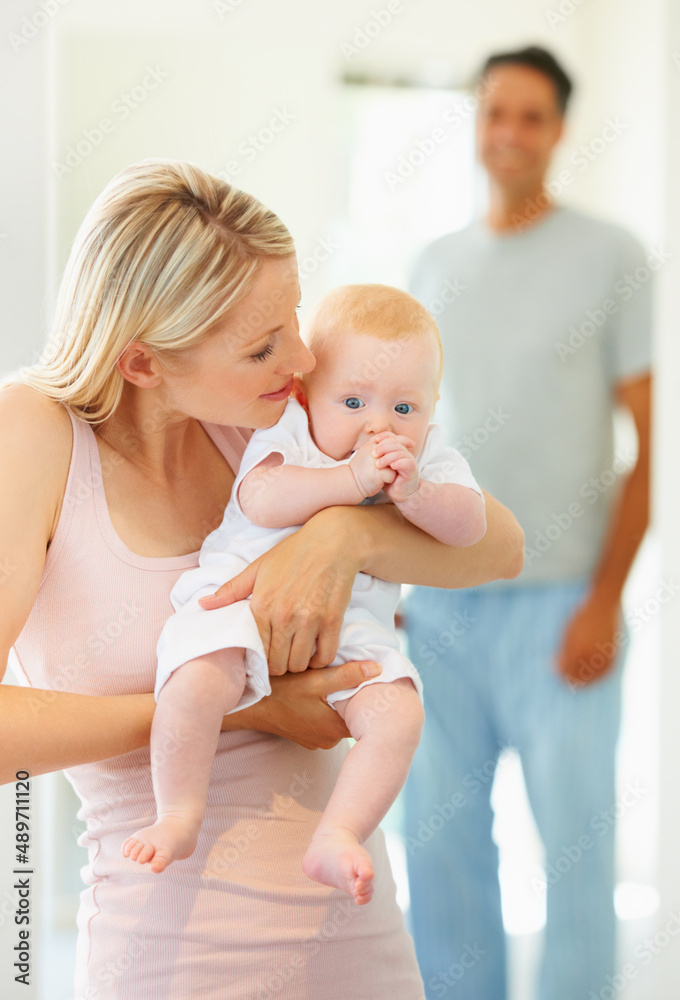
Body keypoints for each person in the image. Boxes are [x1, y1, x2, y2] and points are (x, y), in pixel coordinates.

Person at [0, 158, 524, 1000]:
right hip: (173, 954)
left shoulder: (267, 418)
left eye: (292, 318)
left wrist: (344, 536)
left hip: (355, 933)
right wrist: (240, 705)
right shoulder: (31, 434)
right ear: (143, 364)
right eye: (262, 345)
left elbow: (498, 547)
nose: (305, 357)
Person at [403, 46, 652, 1000]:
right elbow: (405, 437)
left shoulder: (612, 258)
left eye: (531, 116)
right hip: (441, 612)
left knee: (576, 856)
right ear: (474, 119)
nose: (508, 132)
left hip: (564, 609)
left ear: (557, 131)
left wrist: (604, 600)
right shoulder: (435, 262)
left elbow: (652, 444)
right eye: (493, 111)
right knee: (442, 849)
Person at [122, 284, 486, 906]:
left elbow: (474, 528)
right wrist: (350, 480)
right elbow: (259, 498)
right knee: (197, 679)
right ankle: (178, 812)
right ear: (306, 395)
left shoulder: (427, 453)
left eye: (405, 407)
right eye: (353, 400)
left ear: (431, 409)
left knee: (399, 713)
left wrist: (418, 495)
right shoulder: (292, 430)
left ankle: (339, 834)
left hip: (353, 628)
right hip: (235, 603)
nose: (380, 425)